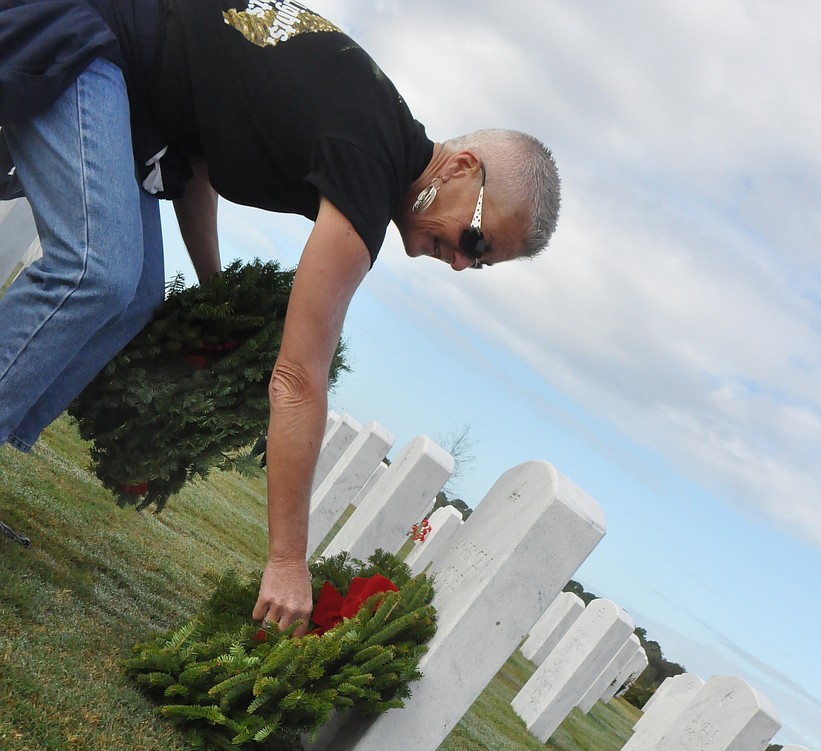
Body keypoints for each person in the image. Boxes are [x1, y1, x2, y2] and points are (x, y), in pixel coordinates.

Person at [0, 0, 560, 628]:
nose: (461, 263)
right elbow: (297, 379)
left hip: (137, 96)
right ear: (461, 167)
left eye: (478, 265)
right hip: (90, 34)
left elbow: (200, 162)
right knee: (97, 270)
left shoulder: (371, 127)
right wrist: (287, 559)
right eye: (477, 240)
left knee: (134, 293)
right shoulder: (369, 166)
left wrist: (217, 295)